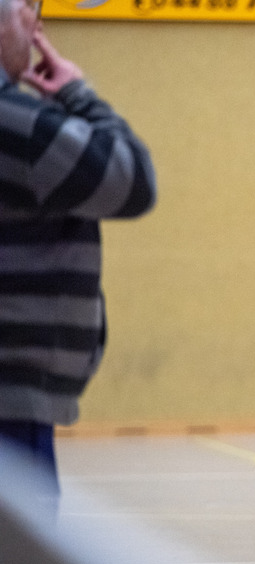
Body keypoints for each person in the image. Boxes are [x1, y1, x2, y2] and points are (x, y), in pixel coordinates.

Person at [0, 15, 157, 501]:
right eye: (27, 8)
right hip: (11, 398)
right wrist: (77, 95)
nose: (37, 23)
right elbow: (132, 178)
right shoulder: (18, 126)